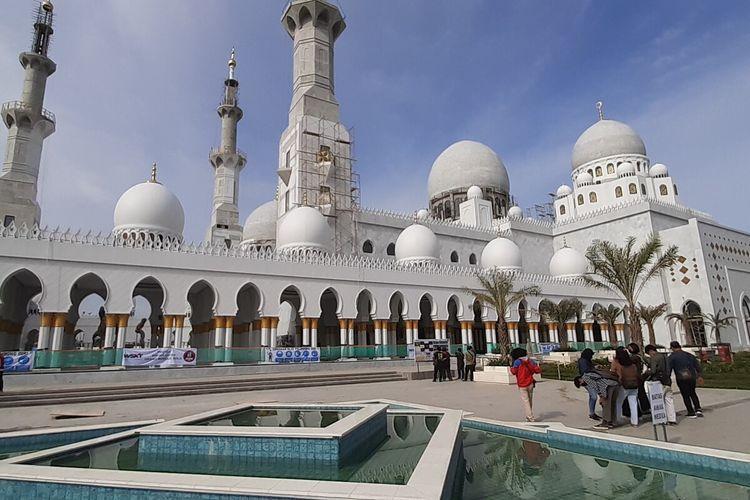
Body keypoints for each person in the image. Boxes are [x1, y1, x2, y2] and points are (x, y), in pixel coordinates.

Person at [667, 341, 704, 418]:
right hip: (691, 377)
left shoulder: (672, 357)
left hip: (681, 378)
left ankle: (691, 412)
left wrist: (668, 378)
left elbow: (669, 369)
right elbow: (697, 366)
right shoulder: (689, 355)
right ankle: (698, 409)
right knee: (693, 393)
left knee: (685, 395)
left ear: (672, 348)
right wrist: (699, 375)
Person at [643, 344, 677, 424]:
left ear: (651, 351)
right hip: (667, 380)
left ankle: (661, 420)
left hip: (658, 381)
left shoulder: (654, 358)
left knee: (658, 401)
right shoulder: (665, 357)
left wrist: (646, 373)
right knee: (669, 400)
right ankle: (672, 419)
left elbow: (653, 371)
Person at [611, 348, 640, 426]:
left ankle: (617, 420)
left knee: (619, 402)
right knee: (633, 403)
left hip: (623, 385)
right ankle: (635, 422)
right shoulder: (631, 363)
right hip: (634, 384)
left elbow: (613, 372)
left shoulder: (617, 362)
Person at [510, 347, 541, 422]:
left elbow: (514, 372)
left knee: (526, 401)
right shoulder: (530, 361)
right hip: (530, 382)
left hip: (522, 384)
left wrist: (511, 367)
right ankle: (528, 415)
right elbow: (537, 370)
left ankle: (530, 417)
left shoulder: (517, 362)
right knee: (530, 400)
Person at [627, 343, 651, 415]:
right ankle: (645, 408)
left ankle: (637, 411)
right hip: (641, 376)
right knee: (642, 393)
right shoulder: (640, 356)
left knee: (635, 395)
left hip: (636, 377)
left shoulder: (633, 358)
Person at [577, 348, 601, 421]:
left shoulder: (586, 360)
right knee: (594, 396)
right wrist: (594, 368)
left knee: (592, 396)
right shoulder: (583, 361)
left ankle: (592, 413)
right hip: (586, 380)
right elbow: (585, 371)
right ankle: (592, 413)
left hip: (589, 380)